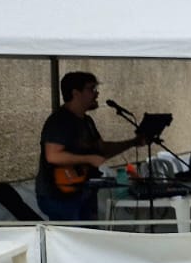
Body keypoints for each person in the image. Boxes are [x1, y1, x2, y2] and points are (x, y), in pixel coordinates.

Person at [36, 70, 142, 221]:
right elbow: (53, 155)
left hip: (83, 190)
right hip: (60, 194)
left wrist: (133, 142)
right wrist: (89, 158)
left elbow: (102, 150)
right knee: (77, 240)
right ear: (76, 93)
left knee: (88, 236)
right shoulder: (60, 120)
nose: (96, 94)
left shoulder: (87, 121)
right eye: (91, 89)